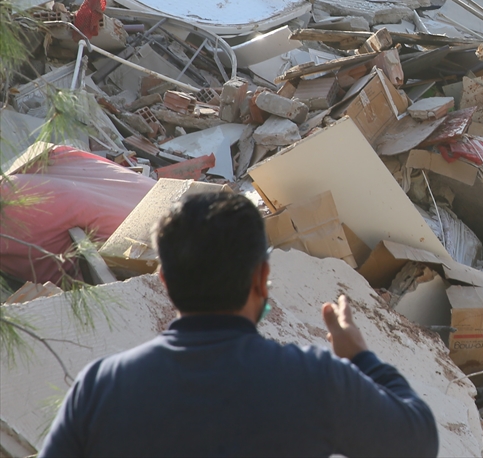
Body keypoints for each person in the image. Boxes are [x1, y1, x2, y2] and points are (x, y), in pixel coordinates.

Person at [41, 192, 439, 458]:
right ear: (261, 278)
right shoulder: (315, 381)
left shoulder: (99, 387)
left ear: (163, 281)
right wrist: (362, 357)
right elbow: (419, 440)